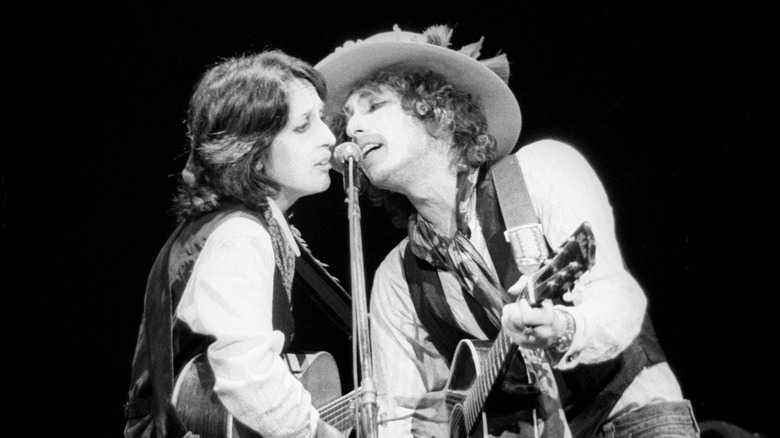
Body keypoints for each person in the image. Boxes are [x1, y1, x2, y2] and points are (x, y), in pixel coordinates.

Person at [315, 25, 700, 437]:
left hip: (631, 418)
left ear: (436, 111)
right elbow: (395, 419)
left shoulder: (541, 170)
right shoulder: (396, 277)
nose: (352, 128)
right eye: (348, 117)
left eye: (373, 106)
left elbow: (617, 298)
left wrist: (566, 328)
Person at [123, 50, 348, 438]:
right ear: (252, 152)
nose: (329, 139)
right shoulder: (239, 238)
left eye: (323, 119)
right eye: (303, 126)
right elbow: (250, 381)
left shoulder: (240, 226)